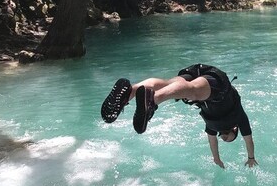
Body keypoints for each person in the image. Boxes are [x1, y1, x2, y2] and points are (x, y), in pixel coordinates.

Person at [101, 63, 257, 168]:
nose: (222, 135)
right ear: (234, 129)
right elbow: (248, 139)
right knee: (193, 90)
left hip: (196, 73)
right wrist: (251, 158)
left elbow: (212, 142)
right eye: (226, 135)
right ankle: (153, 100)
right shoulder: (239, 118)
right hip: (218, 84)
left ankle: (129, 93)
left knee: (169, 84)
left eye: (222, 136)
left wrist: (216, 158)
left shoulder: (212, 127)